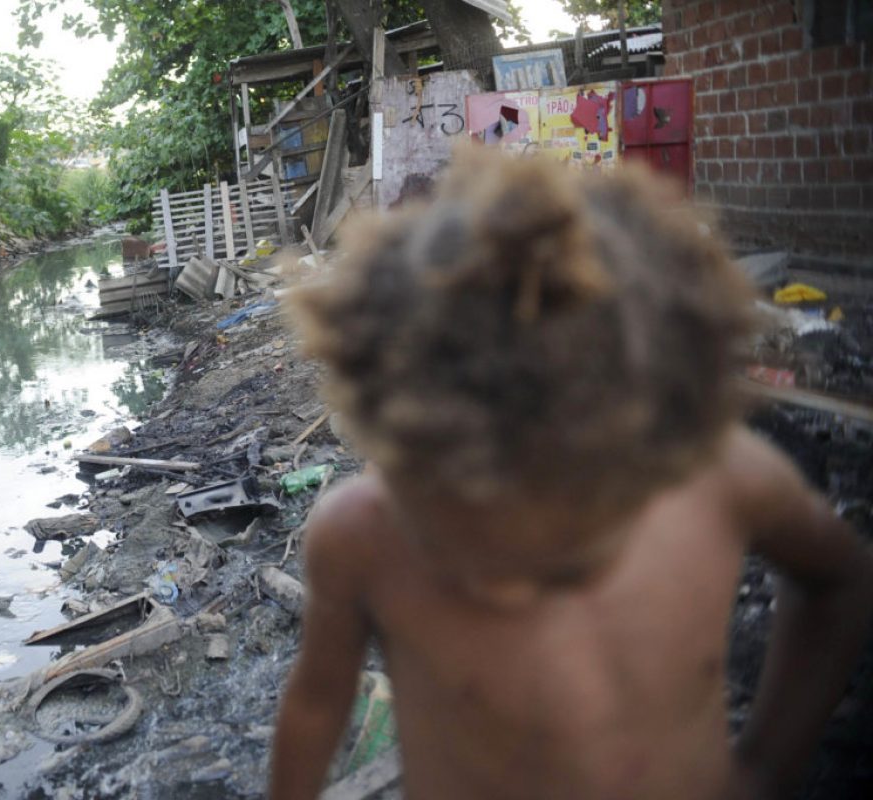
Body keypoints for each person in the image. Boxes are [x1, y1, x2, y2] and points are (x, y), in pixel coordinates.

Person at [269, 145, 873, 800]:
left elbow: (839, 580)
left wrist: (764, 767)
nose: (513, 592)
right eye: (472, 529)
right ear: (400, 454)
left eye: (579, 545)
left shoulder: (720, 477)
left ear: (657, 443)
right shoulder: (359, 533)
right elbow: (315, 707)